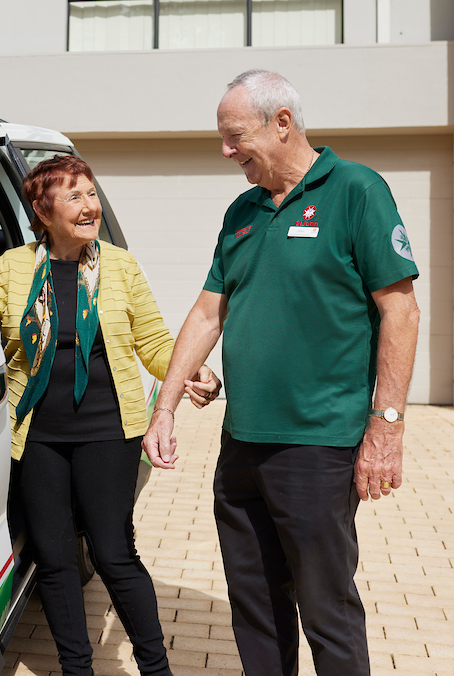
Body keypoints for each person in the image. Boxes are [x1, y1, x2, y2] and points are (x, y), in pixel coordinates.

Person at [143, 70, 421, 676]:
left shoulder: (355, 190)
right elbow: (208, 311)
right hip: (241, 444)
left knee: (326, 608)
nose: (226, 151)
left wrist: (387, 426)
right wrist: (164, 407)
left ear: (283, 123)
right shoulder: (242, 211)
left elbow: (400, 311)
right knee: (257, 608)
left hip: (317, 445)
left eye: (235, 136)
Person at [0, 154, 219, 676]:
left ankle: (156, 668)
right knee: (54, 560)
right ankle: (76, 668)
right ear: (43, 211)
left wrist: (192, 369)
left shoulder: (120, 267)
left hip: (108, 430)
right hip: (36, 436)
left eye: (92, 193)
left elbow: (153, 342)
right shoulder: (11, 268)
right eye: (74, 196)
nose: (90, 206)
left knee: (113, 553)